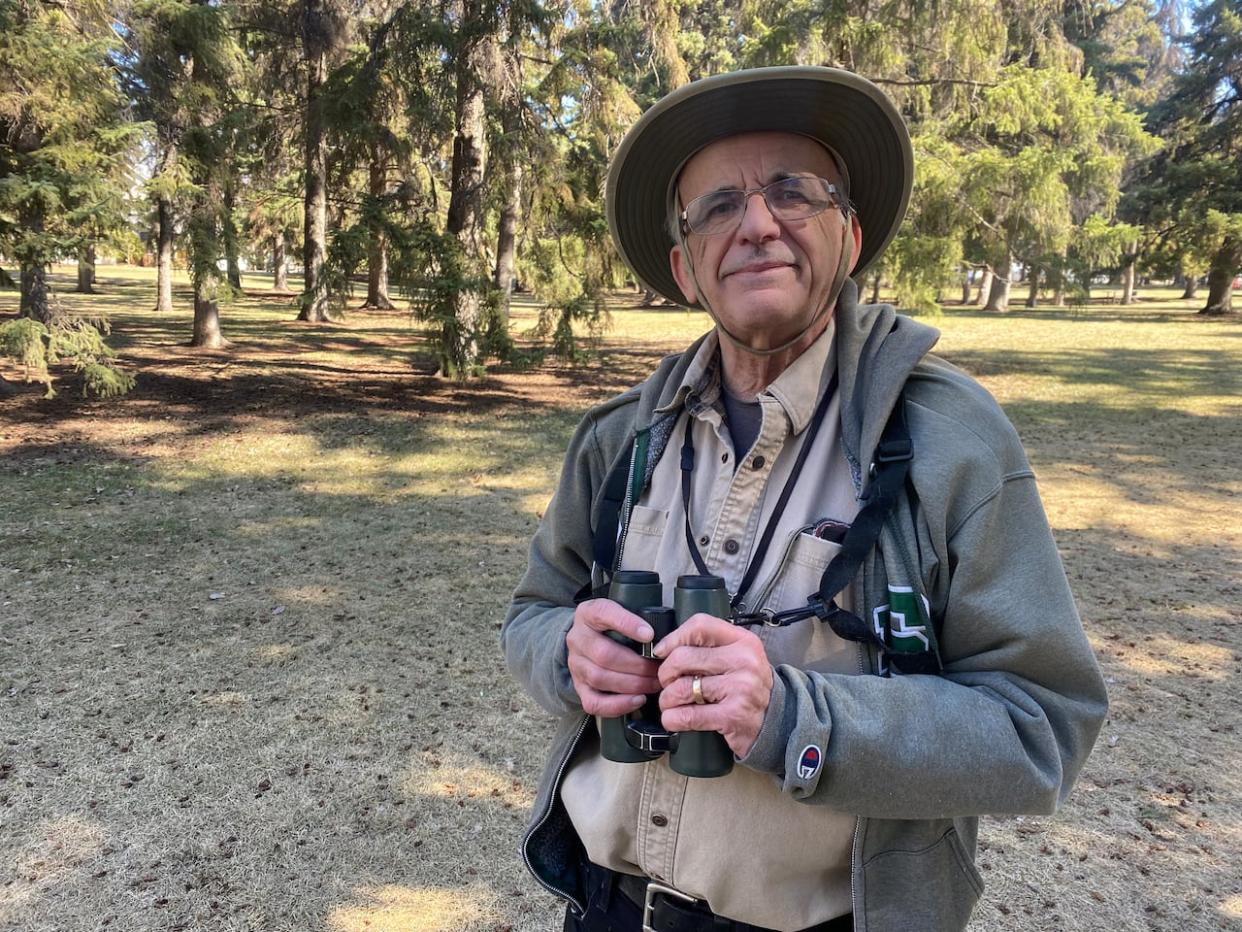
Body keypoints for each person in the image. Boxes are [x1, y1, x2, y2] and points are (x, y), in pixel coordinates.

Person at [502, 66, 1108, 932]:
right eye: (717, 206)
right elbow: (531, 613)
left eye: (794, 191)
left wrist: (793, 716)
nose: (756, 223)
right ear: (684, 268)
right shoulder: (618, 439)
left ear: (850, 237)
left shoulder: (948, 443)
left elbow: (1040, 730)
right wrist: (569, 651)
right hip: (601, 907)